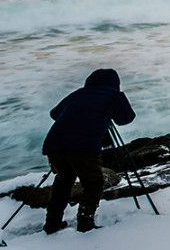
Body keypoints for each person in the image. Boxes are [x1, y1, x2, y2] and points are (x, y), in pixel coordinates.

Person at [41, 68, 136, 234]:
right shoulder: (114, 95)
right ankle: (85, 222)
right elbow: (126, 119)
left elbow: (54, 114)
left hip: (54, 144)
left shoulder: (78, 93)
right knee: (93, 183)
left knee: (64, 179)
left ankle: (52, 223)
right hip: (84, 147)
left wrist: (81, 113)